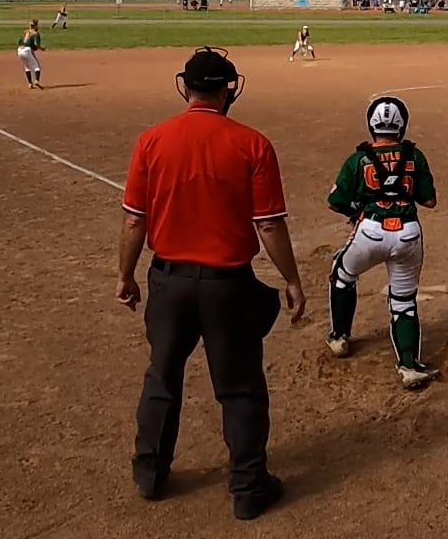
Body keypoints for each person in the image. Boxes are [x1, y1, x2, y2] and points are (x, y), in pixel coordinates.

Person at [116, 47, 306, 519]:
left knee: (161, 379)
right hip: (228, 287)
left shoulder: (151, 141)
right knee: (239, 388)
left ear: (186, 87)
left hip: (168, 283)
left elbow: (135, 220)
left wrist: (125, 274)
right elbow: (268, 224)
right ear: (228, 90)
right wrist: (292, 279)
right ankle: (248, 488)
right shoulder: (252, 144)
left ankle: (150, 475)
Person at [323, 96, 439, 389]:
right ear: (402, 125)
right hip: (408, 234)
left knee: (342, 273)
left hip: (370, 230)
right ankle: (409, 365)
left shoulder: (358, 159)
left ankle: (339, 337)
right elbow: (429, 201)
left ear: (371, 125)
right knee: (404, 301)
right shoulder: (415, 156)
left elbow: (335, 201)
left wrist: (355, 211)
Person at [16, 19, 44, 89]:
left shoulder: (25, 32)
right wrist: (42, 49)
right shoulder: (36, 33)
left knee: (27, 67)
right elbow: (36, 44)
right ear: (36, 25)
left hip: (19, 50)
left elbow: (20, 41)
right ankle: (36, 81)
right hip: (27, 50)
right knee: (37, 67)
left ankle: (30, 84)